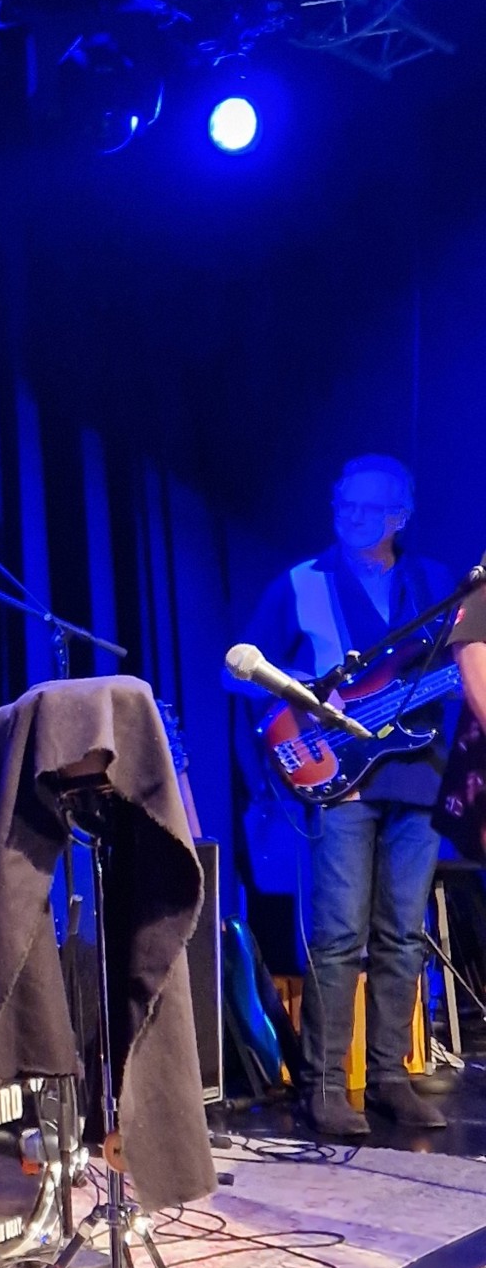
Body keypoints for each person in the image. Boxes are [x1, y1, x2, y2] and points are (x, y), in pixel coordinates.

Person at [235, 454, 455, 1138]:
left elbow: (460, 666)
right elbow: (240, 670)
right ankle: (325, 1086)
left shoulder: (435, 582)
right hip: (340, 775)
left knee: (403, 933)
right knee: (337, 937)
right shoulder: (301, 582)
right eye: (344, 504)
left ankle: (390, 1078)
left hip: (419, 773)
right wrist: (302, 699)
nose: (351, 516)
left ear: (400, 516)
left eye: (368, 507)